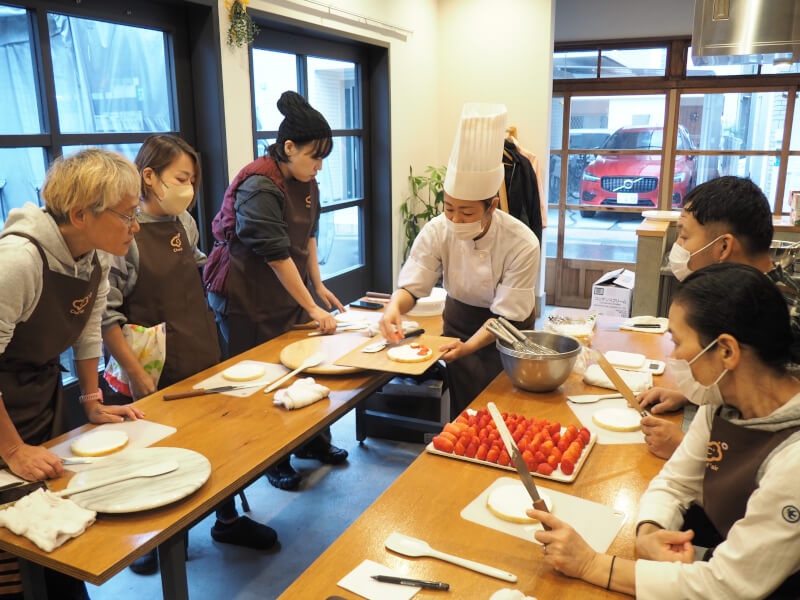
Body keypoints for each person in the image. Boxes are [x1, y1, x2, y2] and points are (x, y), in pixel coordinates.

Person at [530, 263, 800, 599]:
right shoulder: (721, 404)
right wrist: (651, 529)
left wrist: (592, 565)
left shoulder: (793, 461)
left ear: (727, 351)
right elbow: (675, 481)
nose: (675, 356)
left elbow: (728, 584)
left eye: (679, 342)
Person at [101, 135, 277, 575]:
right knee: (158, 453)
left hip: (198, 346)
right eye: (181, 178)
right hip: (152, 365)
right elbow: (106, 317)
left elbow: (195, 268)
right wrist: (136, 373)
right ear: (149, 177)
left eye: (192, 180)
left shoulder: (184, 222)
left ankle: (227, 520)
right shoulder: (125, 236)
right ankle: (154, 539)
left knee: (217, 440)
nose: (189, 189)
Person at [0, 149, 145, 600]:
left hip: (38, 397)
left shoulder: (95, 258)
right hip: (4, 413)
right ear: (81, 214)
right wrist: (12, 449)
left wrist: (92, 402)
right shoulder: (18, 261)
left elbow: (87, 333)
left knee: (59, 538)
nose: (136, 226)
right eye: (127, 214)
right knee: (15, 558)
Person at [204, 91, 348, 491]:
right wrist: (312, 308)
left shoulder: (306, 180)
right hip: (246, 293)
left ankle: (312, 442)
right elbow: (276, 255)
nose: (319, 167)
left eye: (323, 159)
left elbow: (309, 235)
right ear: (288, 148)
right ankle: (272, 459)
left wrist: (317, 286)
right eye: (314, 157)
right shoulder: (259, 185)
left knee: (305, 366)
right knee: (264, 378)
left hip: (288, 289)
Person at [379, 103, 540, 417]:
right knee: (465, 414)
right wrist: (394, 307)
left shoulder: (521, 242)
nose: (455, 219)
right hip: (459, 323)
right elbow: (414, 284)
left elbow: (507, 316)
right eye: (449, 208)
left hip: (508, 334)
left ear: (492, 206)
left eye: (466, 212)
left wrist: (469, 346)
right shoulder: (437, 229)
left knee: (509, 413)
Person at [637, 176, 800, 458]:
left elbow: (772, 437)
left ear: (723, 247)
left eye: (685, 237)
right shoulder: (741, 296)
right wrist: (691, 395)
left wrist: (688, 448)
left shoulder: (781, 318)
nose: (679, 248)